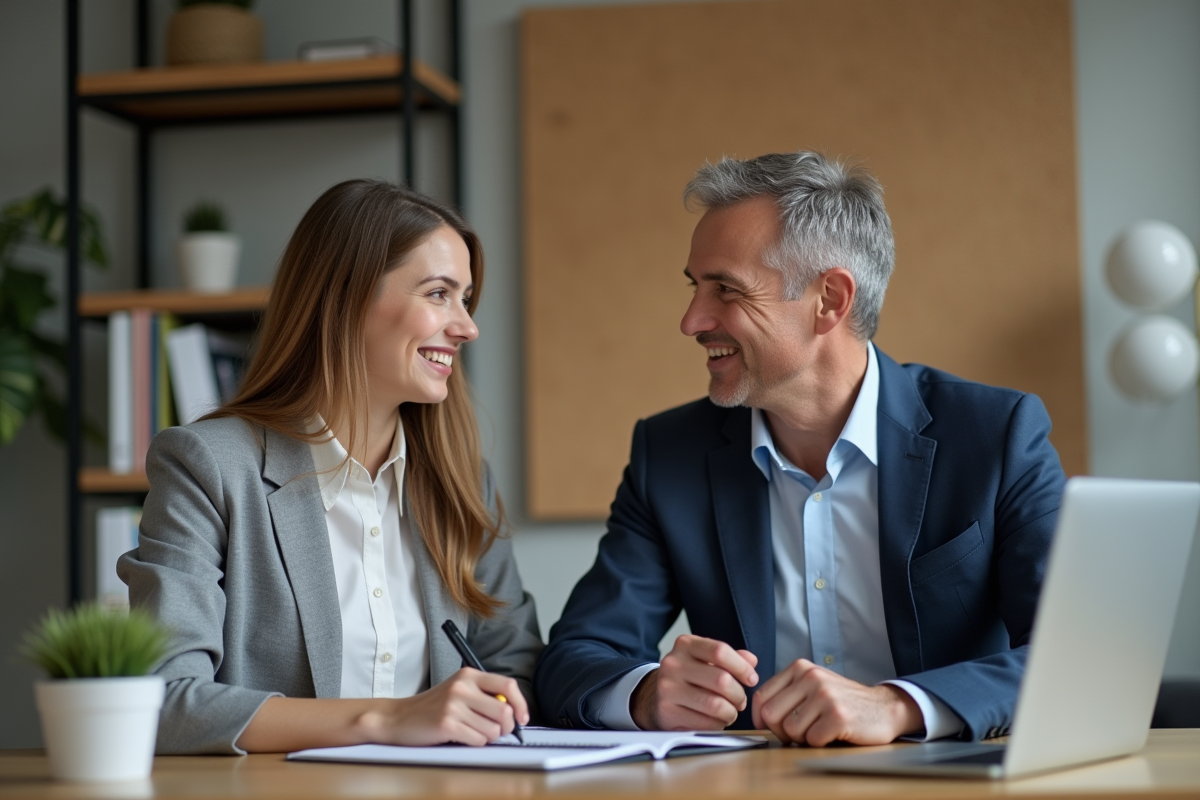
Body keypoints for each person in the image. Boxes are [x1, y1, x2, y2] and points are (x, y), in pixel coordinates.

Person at [535, 151, 1064, 746]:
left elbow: (1076, 652)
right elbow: (574, 657)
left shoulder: (996, 435)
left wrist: (898, 706)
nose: (691, 320)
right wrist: (646, 693)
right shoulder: (669, 455)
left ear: (830, 300)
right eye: (694, 287)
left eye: (725, 289)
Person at [120, 180, 543, 755]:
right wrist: (388, 720)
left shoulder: (465, 480)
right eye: (439, 294)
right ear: (346, 297)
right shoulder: (208, 467)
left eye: (465, 299)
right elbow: (167, 703)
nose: (467, 326)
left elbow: (515, 668)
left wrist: (491, 709)